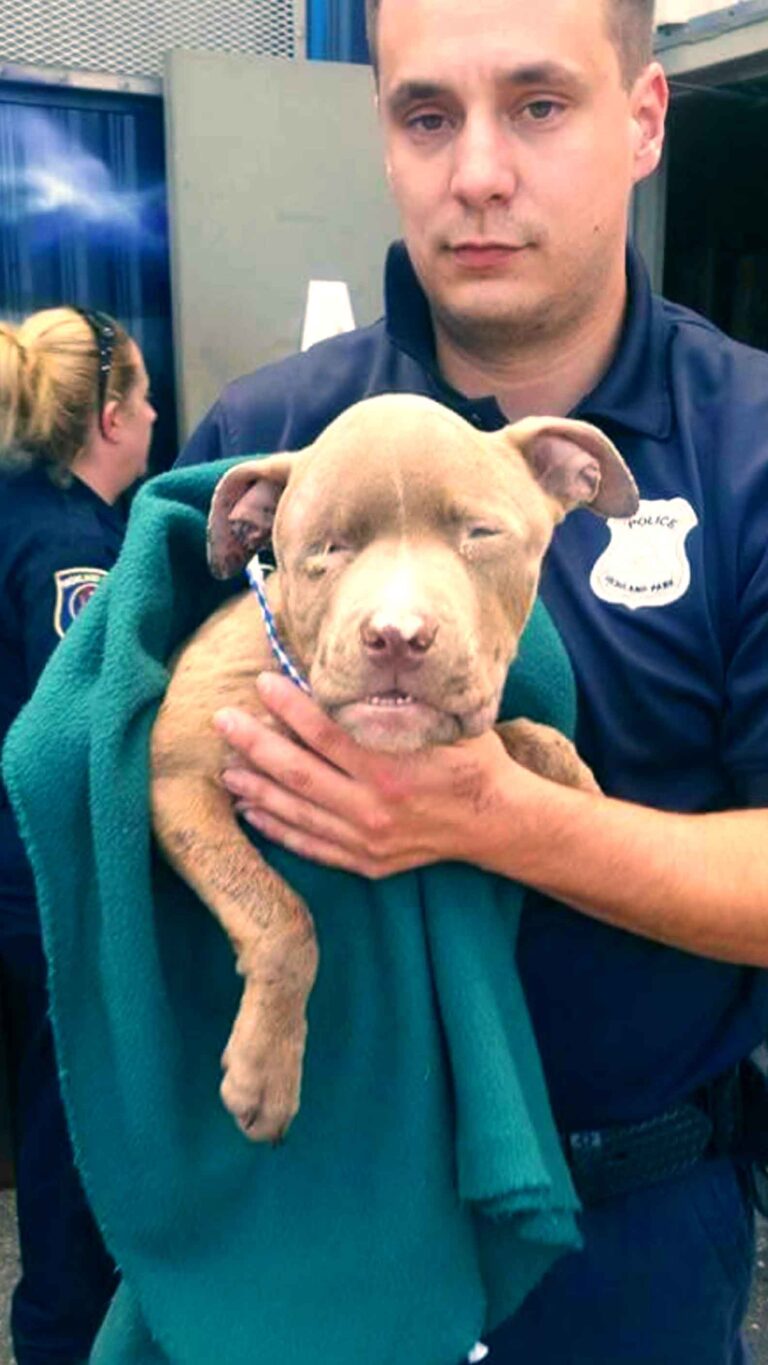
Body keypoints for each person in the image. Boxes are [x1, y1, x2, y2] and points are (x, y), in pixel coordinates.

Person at [175, 0, 768, 1360]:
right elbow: (102, 819)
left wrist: (504, 820)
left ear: (645, 119)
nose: (479, 170)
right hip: (309, 1203)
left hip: (628, 1235)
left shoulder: (750, 454)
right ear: (382, 139)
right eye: (427, 115)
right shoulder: (266, 438)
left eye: (540, 105)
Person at [0, 305, 156, 1364]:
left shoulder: (15, 514)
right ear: (108, 417)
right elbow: (95, 739)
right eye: (144, 399)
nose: (155, 417)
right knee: (72, 1158)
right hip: (46, 908)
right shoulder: (73, 556)